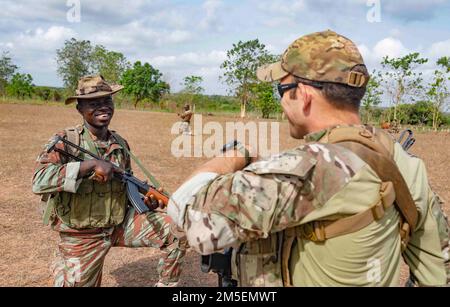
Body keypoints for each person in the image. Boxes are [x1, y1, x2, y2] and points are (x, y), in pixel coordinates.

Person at [167, 30, 449, 286]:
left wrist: (235, 156)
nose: (281, 102)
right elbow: (439, 269)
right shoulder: (404, 162)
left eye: (282, 90)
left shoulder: (312, 168)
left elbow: (185, 212)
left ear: (302, 95)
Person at [32, 75, 186, 287]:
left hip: (118, 223)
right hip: (82, 235)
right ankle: (65, 265)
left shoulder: (120, 143)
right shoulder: (67, 140)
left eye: (107, 101)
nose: (102, 107)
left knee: (178, 230)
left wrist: (145, 203)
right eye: (94, 103)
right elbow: (39, 181)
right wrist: (89, 166)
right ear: (79, 108)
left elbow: (125, 186)